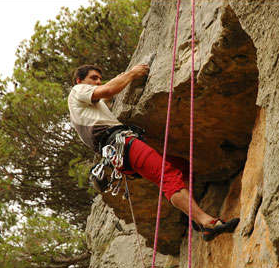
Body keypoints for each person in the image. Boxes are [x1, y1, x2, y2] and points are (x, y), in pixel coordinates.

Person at [68, 64, 239, 241]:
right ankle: (206, 222)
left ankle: (193, 215)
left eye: (99, 79)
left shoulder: (87, 108)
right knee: (168, 175)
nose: (98, 81)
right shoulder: (77, 90)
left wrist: (122, 77)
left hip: (119, 151)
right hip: (121, 144)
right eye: (93, 78)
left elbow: (108, 90)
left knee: (180, 167)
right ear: (79, 80)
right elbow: (109, 89)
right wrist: (132, 73)